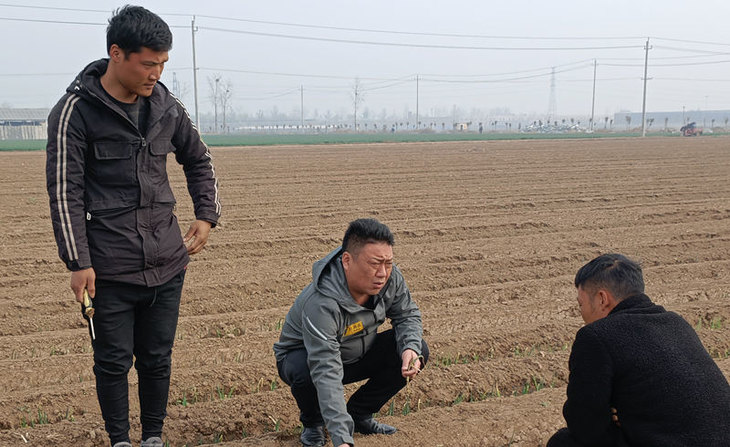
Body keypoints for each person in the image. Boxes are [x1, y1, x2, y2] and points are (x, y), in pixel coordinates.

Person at [45, 6, 220, 447]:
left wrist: (206, 215)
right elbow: (65, 192)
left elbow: (198, 159)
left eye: (163, 64)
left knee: (157, 359)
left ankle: (153, 438)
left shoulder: (166, 106)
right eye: (148, 63)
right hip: (109, 268)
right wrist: (78, 262)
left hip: (167, 262)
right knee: (112, 362)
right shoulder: (75, 112)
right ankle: (120, 440)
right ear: (116, 53)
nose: (156, 73)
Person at [274, 218, 429, 447]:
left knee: (418, 348)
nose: (382, 273)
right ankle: (313, 424)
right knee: (302, 369)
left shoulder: (390, 278)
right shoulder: (322, 304)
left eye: (388, 263)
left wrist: (410, 348)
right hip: (309, 360)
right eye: (374, 263)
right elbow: (325, 368)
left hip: (356, 352)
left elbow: (407, 315)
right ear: (347, 260)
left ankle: (358, 414)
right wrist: (342, 440)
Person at [548, 254, 730, 447]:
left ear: (602, 299)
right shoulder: (676, 322)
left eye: (581, 304)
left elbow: (584, 423)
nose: (582, 313)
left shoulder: (596, 335)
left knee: (563, 442)